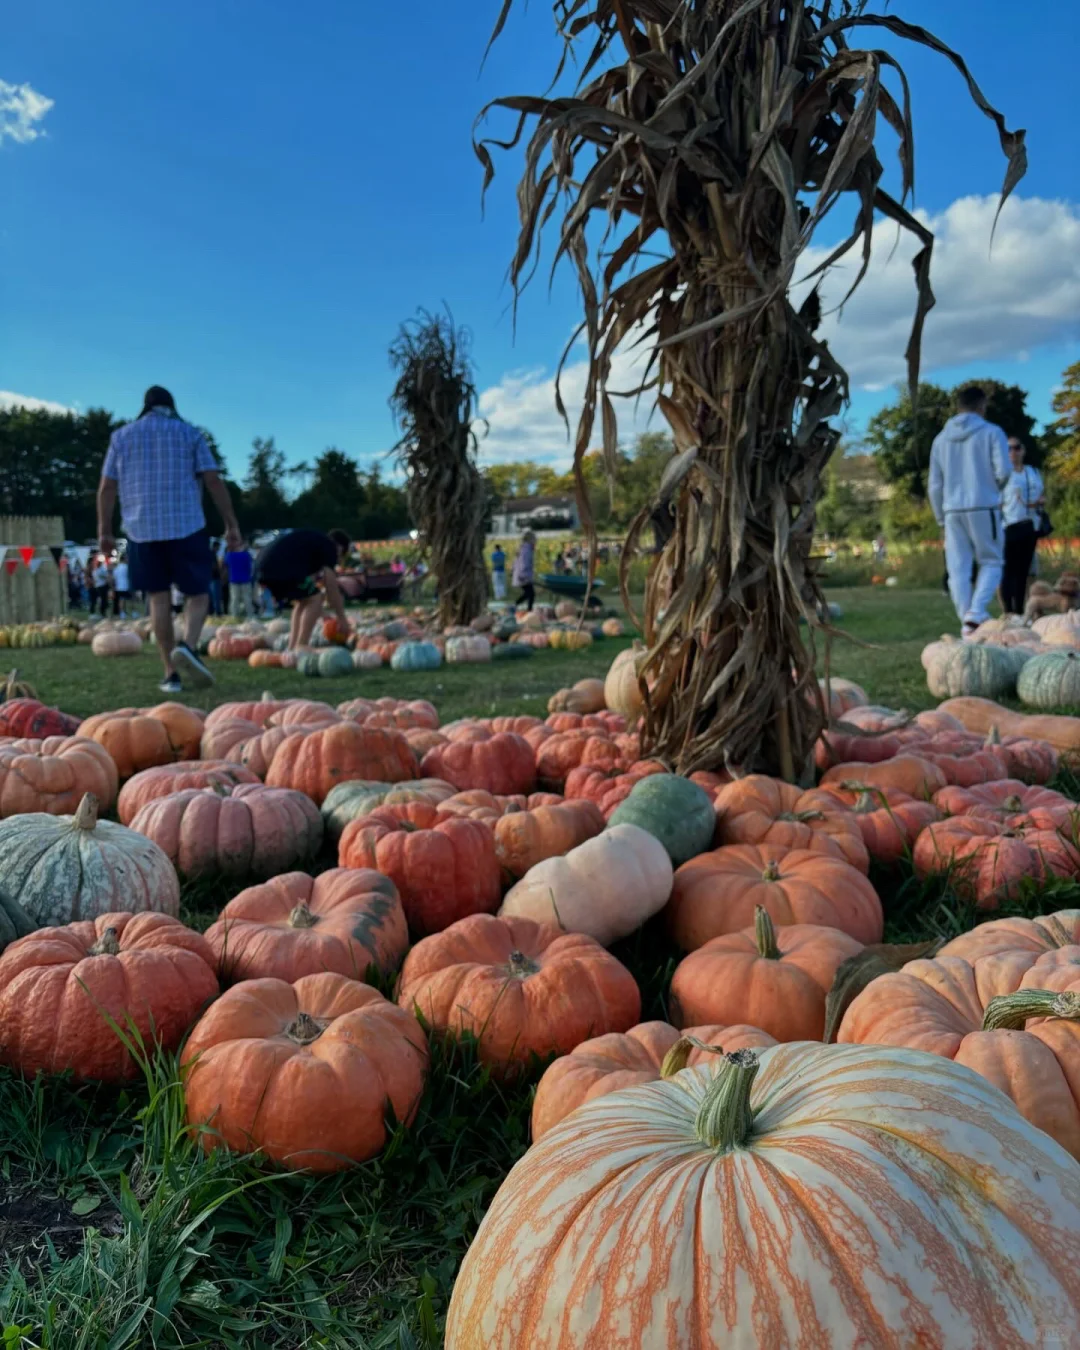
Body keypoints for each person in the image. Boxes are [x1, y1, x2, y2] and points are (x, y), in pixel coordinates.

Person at [97, 385, 241, 693]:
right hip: (186, 526)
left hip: (141, 530)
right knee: (198, 594)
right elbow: (213, 480)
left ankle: (170, 674)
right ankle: (188, 646)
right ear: (171, 405)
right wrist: (231, 524)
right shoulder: (189, 433)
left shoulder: (121, 437)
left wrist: (104, 531)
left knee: (158, 599)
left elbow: (107, 487)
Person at [928, 386, 1009, 638]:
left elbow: (934, 484)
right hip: (984, 505)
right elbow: (1004, 471)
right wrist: (993, 489)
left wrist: (940, 516)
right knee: (992, 560)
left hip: (951, 510)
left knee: (958, 570)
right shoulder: (992, 433)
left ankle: (967, 624)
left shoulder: (940, 440)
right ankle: (975, 613)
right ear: (981, 405)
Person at [254, 527, 353, 650]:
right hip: (279, 567)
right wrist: (342, 619)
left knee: (304, 600)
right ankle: (302, 645)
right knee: (316, 598)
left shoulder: (314, 544)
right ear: (340, 548)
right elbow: (332, 588)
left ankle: (292, 647)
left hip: (263, 565)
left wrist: (321, 613)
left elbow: (307, 587)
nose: (337, 560)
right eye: (340, 556)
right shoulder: (329, 547)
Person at [1000, 435, 1045, 615]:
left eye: (1016, 448)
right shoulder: (1003, 474)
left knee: (1023, 572)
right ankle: (1008, 611)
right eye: (1009, 448)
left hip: (1030, 526)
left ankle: (1019, 611)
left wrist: (1041, 501)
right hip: (1009, 525)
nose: (1013, 452)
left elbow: (1040, 493)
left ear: (1023, 450)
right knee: (1008, 572)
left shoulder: (1032, 472)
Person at [227, 540, 254, 619]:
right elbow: (251, 567)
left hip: (234, 579)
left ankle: (234, 615)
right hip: (246, 579)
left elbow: (225, 564)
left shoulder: (230, 555)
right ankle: (250, 615)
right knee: (247, 598)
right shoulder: (247, 555)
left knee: (234, 599)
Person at [513, 530, 536, 612]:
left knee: (530, 594)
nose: (536, 541)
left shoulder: (524, 548)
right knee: (530, 593)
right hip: (523, 575)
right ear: (530, 540)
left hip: (523, 575)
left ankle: (529, 610)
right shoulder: (526, 550)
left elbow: (516, 562)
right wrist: (524, 576)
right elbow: (524, 563)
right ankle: (514, 605)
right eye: (534, 539)